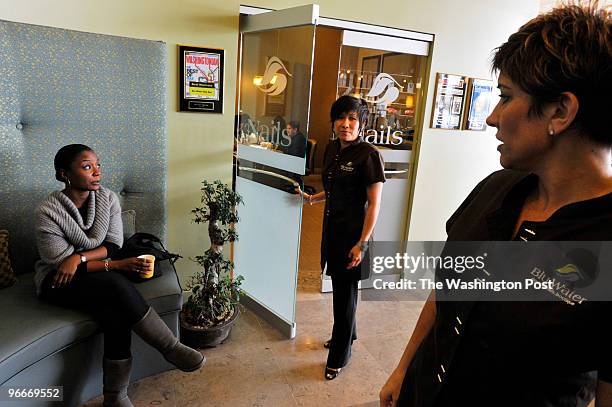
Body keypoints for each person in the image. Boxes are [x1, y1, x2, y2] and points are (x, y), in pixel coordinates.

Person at [380, 4, 612, 406]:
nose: (491, 118)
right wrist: (404, 369)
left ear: (561, 110)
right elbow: (446, 291)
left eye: (506, 97)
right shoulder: (496, 189)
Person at [34, 144, 205, 407]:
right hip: (57, 281)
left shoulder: (108, 199)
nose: (97, 172)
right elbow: (60, 265)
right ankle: (170, 348)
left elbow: (113, 246)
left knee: (114, 311)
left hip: (92, 275)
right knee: (114, 284)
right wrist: (109, 264)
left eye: (98, 165)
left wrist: (78, 257)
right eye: (87, 166)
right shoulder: (48, 211)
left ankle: (115, 396)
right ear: (64, 174)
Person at [301, 95, 385, 380]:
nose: (345, 124)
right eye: (341, 118)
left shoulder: (369, 155)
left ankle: (339, 355)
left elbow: (373, 205)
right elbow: (335, 189)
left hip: (354, 237)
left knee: (343, 296)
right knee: (344, 292)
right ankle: (348, 335)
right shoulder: (332, 149)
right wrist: (313, 199)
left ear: (361, 124)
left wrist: (361, 244)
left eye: (352, 119)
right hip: (332, 232)